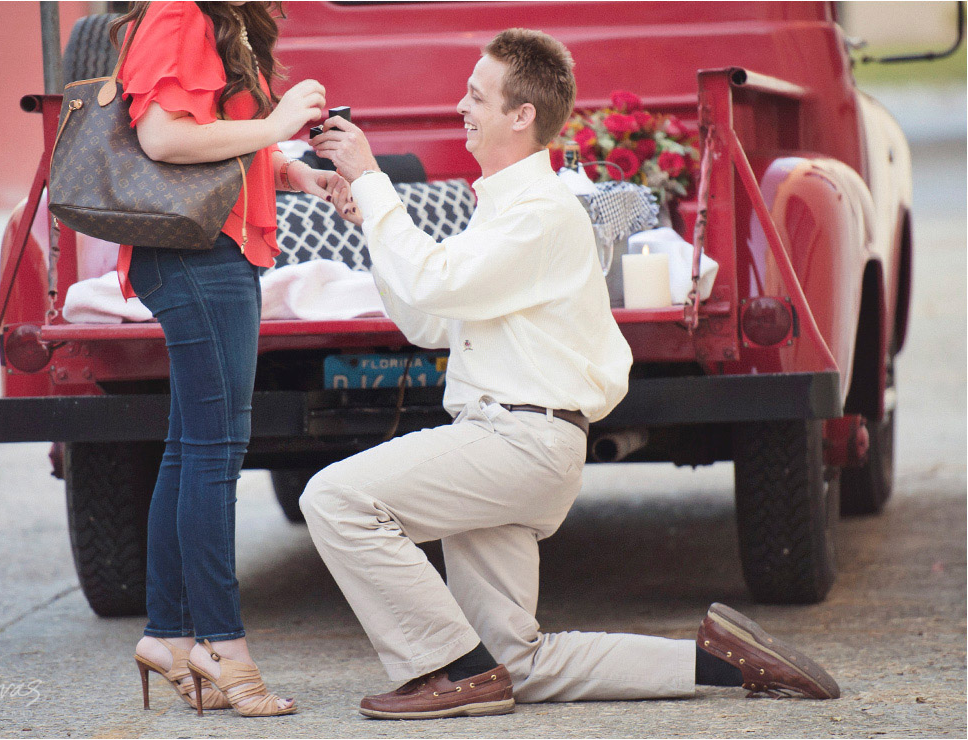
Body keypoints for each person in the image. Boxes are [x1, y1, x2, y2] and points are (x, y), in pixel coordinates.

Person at [307, 28, 840, 720]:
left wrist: (374, 180)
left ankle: (448, 670)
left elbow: (434, 284)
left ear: (521, 115)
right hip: (516, 442)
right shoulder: (505, 210)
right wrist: (372, 225)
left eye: (476, 95)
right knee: (517, 664)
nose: (460, 106)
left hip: (515, 443)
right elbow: (432, 323)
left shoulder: (541, 215)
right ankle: (718, 662)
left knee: (336, 499)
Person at [117, 1, 343, 717]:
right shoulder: (179, 12)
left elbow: (214, 140)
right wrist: (277, 126)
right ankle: (223, 646)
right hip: (195, 256)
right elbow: (162, 137)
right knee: (214, 453)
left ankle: (167, 634)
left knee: (191, 450)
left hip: (210, 251)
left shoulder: (225, 18)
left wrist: (287, 168)